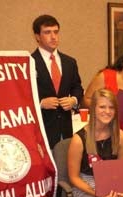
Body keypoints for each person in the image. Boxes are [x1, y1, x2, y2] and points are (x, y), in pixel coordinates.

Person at [31, 14, 84, 149]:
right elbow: (22, 96)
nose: (53, 36)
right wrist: (41, 103)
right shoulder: (29, 62)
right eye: (47, 32)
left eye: (56, 32)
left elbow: (77, 88)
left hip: (66, 128)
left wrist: (73, 100)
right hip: (42, 129)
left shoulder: (69, 62)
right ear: (37, 36)